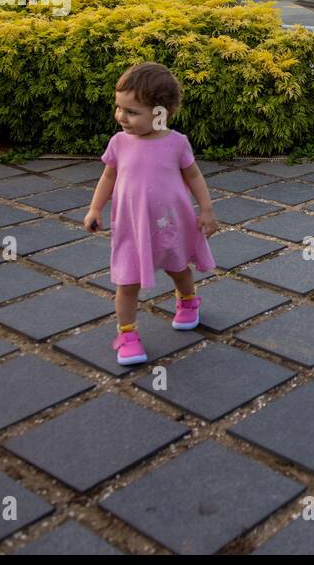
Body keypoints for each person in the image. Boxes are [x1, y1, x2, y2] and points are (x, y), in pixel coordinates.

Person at [84, 62, 217, 365]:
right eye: (118, 108)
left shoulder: (176, 143)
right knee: (127, 281)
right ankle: (127, 334)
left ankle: (188, 301)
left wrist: (207, 210)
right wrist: (95, 208)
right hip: (132, 227)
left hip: (170, 224)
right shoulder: (119, 143)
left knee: (178, 267)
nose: (121, 117)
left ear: (160, 113)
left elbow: (194, 176)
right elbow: (108, 176)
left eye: (131, 112)